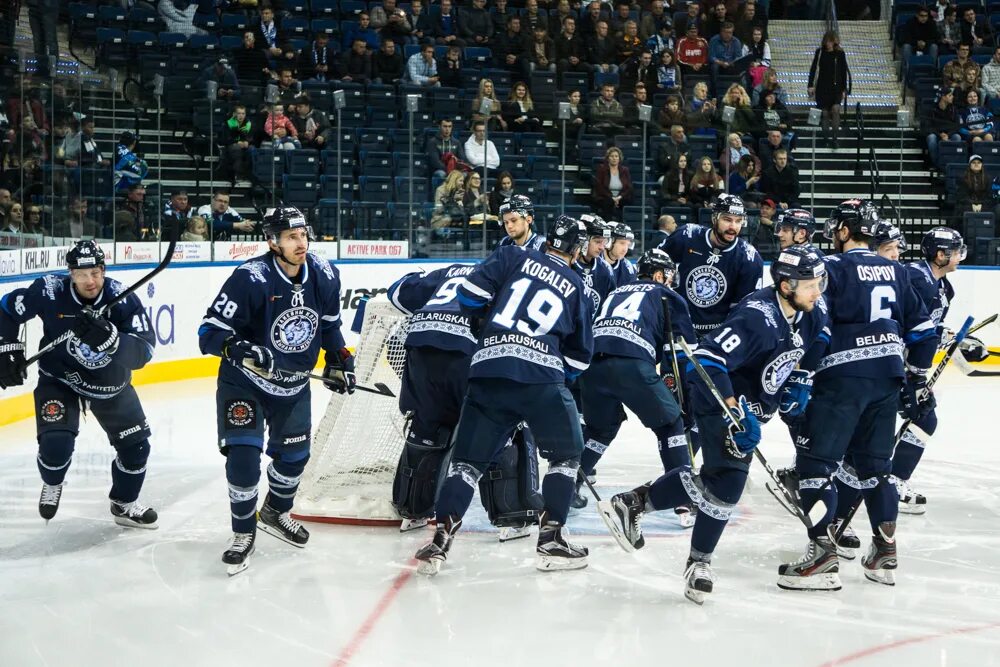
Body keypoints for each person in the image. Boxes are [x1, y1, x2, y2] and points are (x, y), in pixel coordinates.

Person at [600, 244, 829, 605]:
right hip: (717, 402)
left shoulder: (809, 311)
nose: (819, 291)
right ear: (786, 285)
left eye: (821, 282)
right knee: (729, 481)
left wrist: (802, 376)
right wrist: (734, 409)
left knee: (715, 480)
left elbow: (822, 336)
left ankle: (634, 503)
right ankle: (697, 562)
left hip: (747, 409)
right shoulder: (757, 316)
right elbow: (706, 358)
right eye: (812, 284)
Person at [412, 216, 594, 574]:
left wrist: (484, 325)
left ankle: (440, 540)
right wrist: (552, 375)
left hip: (487, 371)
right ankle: (552, 539)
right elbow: (577, 358)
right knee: (567, 457)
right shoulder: (577, 285)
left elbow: (468, 295)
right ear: (576, 250)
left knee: (466, 464)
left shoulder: (512, 257)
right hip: (542, 380)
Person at [779, 200, 937, 592]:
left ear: (846, 230)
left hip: (842, 377)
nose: (833, 234)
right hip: (887, 376)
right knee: (875, 468)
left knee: (815, 465)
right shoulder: (897, 270)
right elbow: (924, 331)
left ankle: (822, 557)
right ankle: (884, 551)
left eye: (837, 228)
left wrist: (802, 373)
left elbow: (819, 327)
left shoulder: (830, 268)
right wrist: (916, 379)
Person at [197, 206, 354, 575]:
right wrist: (238, 347)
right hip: (245, 383)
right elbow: (208, 333)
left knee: (296, 458)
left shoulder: (325, 273)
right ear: (272, 242)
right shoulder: (250, 279)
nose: (301, 243)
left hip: (294, 386)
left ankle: (275, 512)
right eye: (291, 237)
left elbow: (330, 328)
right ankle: (242, 533)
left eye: (303, 235)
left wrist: (339, 360)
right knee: (244, 456)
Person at [0, 241, 158, 527]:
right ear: (70, 273)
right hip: (59, 379)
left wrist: (111, 340)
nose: (90, 281)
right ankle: (53, 481)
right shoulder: (49, 290)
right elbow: (7, 309)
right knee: (56, 445)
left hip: (111, 388)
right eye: (82, 274)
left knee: (137, 450)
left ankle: (123, 504)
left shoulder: (121, 297)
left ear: (104, 271)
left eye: (96, 273)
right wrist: (7, 347)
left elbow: (144, 351)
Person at [581, 249, 697, 524]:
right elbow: (683, 355)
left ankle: (571, 480)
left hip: (592, 367)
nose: (669, 280)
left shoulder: (616, 291)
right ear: (659, 274)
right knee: (671, 425)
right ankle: (682, 499)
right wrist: (684, 396)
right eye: (667, 275)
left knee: (601, 429)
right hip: (631, 366)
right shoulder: (667, 295)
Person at [889, 227, 966, 516]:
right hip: (890, 364)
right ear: (940, 255)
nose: (960, 256)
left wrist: (952, 337)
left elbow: (927, 328)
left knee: (921, 418)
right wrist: (913, 374)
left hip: (908, 367)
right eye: (956, 251)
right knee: (919, 418)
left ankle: (891, 480)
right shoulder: (915, 278)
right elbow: (900, 324)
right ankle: (890, 481)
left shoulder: (945, 288)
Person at [656, 194, 764, 335]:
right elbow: (654, 265)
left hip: (717, 334)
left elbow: (743, 310)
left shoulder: (749, 258)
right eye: (727, 219)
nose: (733, 227)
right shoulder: (687, 235)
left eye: (738, 221)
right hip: (677, 325)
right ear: (715, 218)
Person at [808, 30, 851, 148]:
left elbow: (843, 72)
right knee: (825, 113)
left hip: (836, 88)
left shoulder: (840, 54)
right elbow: (813, 69)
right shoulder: (820, 52)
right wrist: (810, 85)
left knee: (836, 109)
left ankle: (835, 137)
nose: (829, 43)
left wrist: (844, 89)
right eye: (827, 41)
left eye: (831, 41)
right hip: (822, 87)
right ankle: (826, 138)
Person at [592, 146, 634, 221]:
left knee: (628, 202)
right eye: (612, 156)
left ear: (619, 158)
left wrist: (619, 197)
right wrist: (612, 198)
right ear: (608, 158)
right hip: (605, 197)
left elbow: (629, 187)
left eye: (616, 156)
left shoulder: (625, 170)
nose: (614, 158)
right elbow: (599, 187)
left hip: (621, 197)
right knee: (608, 203)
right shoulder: (602, 169)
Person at [956, 154, 990, 222]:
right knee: (960, 208)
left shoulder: (988, 178)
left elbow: (989, 196)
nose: (976, 164)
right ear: (970, 165)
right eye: (974, 162)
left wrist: (981, 204)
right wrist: (972, 204)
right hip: (967, 204)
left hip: (984, 205)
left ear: (981, 165)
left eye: (979, 163)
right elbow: (962, 196)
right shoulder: (962, 178)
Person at [604, 222, 637, 287]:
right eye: (622, 243)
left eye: (628, 244)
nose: (625, 249)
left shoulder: (628, 268)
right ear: (608, 241)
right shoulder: (594, 263)